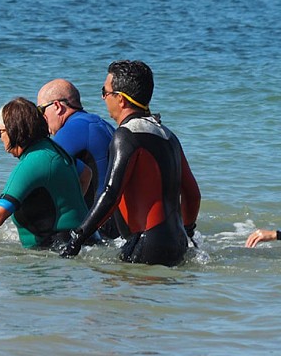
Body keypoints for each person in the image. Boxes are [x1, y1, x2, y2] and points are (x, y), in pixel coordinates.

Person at [60, 60, 201, 266]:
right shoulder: (168, 135)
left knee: (113, 294)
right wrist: (187, 231)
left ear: (121, 99)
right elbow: (192, 193)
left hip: (148, 245)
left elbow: (111, 194)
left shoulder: (126, 136)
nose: (102, 97)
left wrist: (77, 238)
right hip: (177, 242)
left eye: (105, 91)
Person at [0, 97, 89, 248]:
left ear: (13, 131)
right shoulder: (52, 149)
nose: (0, 138)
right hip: (80, 241)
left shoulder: (32, 162)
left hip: (57, 250)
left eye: (0, 132)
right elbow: (86, 174)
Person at [36, 78, 119, 238]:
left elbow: (41, 179)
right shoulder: (102, 124)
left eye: (41, 111)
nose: (41, 118)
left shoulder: (71, 131)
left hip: (98, 230)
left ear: (57, 106)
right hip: (118, 225)